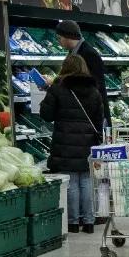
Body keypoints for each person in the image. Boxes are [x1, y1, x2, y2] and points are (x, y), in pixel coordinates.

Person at [40, 55, 107, 234]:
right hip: (87, 143)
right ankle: (89, 221)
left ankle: (72, 223)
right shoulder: (93, 90)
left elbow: (46, 114)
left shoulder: (58, 88)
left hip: (65, 143)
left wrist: (45, 93)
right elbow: (99, 120)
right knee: (86, 181)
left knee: (70, 183)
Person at [55, 20, 105, 100]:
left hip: (91, 109)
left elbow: (94, 85)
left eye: (59, 38)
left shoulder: (89, 54)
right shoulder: (74, 52)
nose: (58, 42)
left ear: (68, 36)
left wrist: (59, 83)